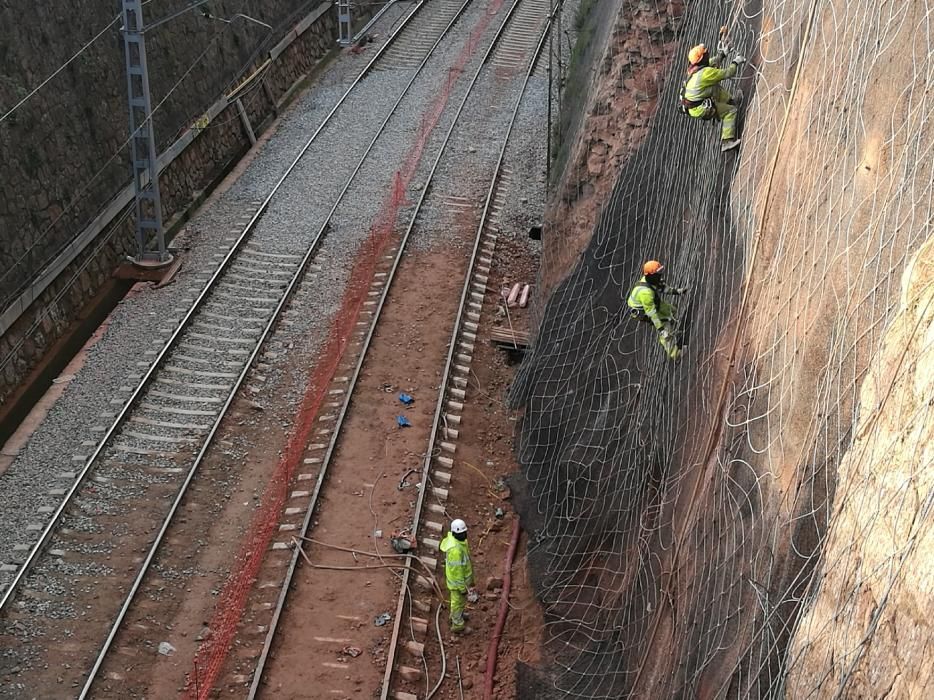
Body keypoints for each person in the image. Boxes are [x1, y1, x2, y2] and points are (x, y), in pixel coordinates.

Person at [680, 43, 746, 152]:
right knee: (731, 111)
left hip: (694, 104)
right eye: (705, 53)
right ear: (702, 58)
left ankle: (732, 101)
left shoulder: (695, 68)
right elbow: (728, 73)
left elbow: (713, 61)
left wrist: (724, 53)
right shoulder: (705, 73)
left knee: (714, 88)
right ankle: (727, 141)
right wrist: (736, 62)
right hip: (699, 108)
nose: (707, 53)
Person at [627, 260, 688, 359]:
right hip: (643, 312)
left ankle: (672, 332)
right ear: (651, 275)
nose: (660, 275)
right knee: (665, 326)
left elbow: (663, 288)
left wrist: (677, 291)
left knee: (672, 311)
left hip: (654, 303)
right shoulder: (646, 293)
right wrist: (661, 330)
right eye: (658, 273)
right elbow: (652, 314)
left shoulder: (652, 280)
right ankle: (675, 353)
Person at [439, 518, 476, 633]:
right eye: (461, 533)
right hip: (458, 584)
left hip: (462, 581)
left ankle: (456, 615)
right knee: (457, 603)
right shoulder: (455, 550)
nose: (464, 535)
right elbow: (457, 572)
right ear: (455, 534)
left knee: (459, 602)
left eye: (465, 532)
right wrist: (462, 588)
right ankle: (458, 626)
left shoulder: (460, 542)